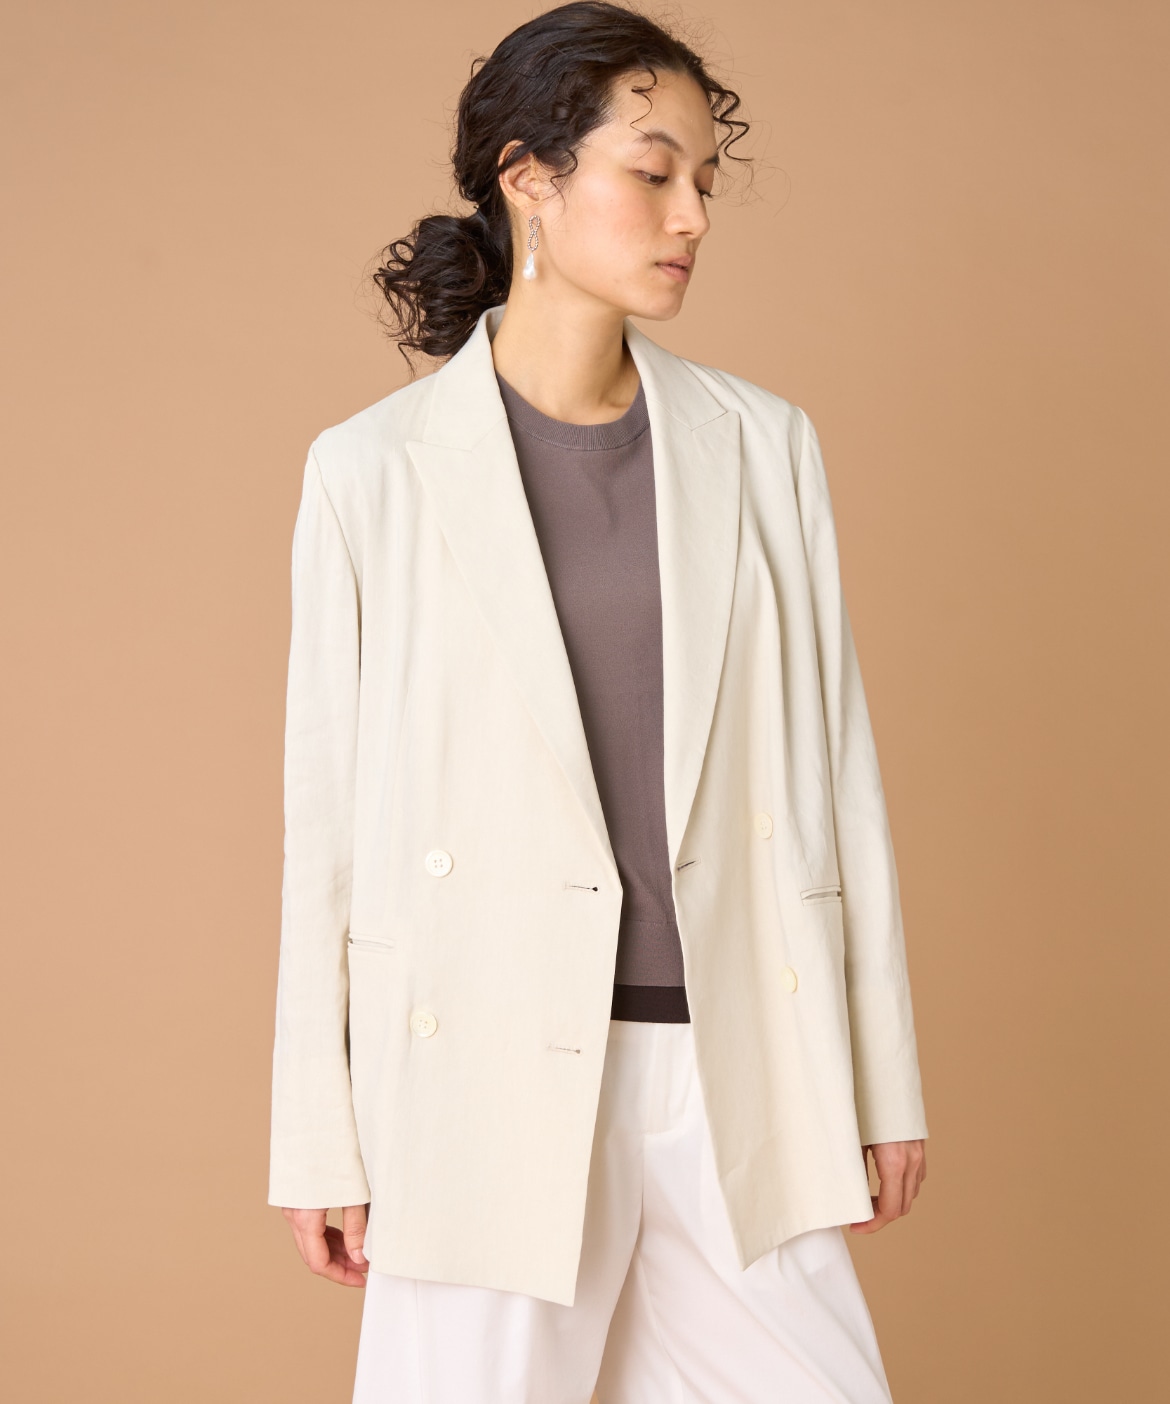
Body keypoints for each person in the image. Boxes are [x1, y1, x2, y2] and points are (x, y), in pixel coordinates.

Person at [268, 3, 928, 1400]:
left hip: (738, 1056)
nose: (693, 214)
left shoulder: (762, 445)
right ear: (529, 178)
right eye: (652, 170)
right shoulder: (371, 471)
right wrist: (317, 1134)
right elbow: (327, 830)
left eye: (704, 180)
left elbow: (836, 779)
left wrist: (877, 1077)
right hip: (478, 1068)